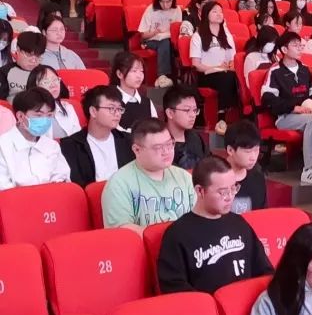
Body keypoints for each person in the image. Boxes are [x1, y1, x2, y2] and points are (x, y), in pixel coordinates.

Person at [156, 155, 273, 294]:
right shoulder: (177, 234)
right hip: (205, 306)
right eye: (222, 192)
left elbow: (264, 271)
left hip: (247, 302)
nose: (230, 196)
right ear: (200, 191)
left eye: (233, 188)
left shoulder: (239, 224)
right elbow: (174, 288)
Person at [101, 118, 196, 230]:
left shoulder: (184, 177)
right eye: (158, 147)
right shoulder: (119, 184)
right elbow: (123, 232)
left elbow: (200, 218)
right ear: (137, 150)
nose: (166, 151)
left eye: (169, 144)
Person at [261, 32, 312, 187]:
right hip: (285, 116)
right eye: (295, 45)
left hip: (307, 112)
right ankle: (310, 170)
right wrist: (293, 107)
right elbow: (268, 99)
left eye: (300, 45)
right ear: (284, 49)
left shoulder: (304, 69)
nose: (299, 48)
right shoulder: (275, 71)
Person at [60, 85, 132, 187]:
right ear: (93, 111)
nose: (117, 114)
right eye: (111, 108)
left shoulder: (129, 141)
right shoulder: (70, 146)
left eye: (119, 109)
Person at [0, 87, 69, 189]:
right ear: (20, 116)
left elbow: (62, 179)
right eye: (39, 115)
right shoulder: (3, 145)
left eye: (49, 115)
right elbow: (4, 188)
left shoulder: (52, 146)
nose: (45, 120)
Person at [189, 0, 239, 136]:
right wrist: (215, 67)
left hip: (224, 72)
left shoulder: (226, 35)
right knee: (226, 77)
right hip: (206, 74)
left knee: (234, 76)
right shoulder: (198, 36)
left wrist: (230, 66)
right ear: (206, 15)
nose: (219, 14)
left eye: (221, 12)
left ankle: (238, 116)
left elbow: (232, 59)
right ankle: (221, 118)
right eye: (215, 11)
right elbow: (196, 64)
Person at [138, 0, 181, 88]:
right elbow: (143, 35)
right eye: (162, 2)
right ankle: (162, 76)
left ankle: (175, 78)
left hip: (170, 39)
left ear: (173, 0)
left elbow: (177, 30)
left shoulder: (177, 10)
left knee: (170, 44)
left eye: (168, 1)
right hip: (151, 40)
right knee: (165, 43)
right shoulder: (151, 9)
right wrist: (155, 32)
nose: (165, 5)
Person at [224, 120, 267, 214]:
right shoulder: (215, 179)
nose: (253, 157)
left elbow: (262, 214)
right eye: (248, 151)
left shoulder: (258, 178)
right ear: (230, 150)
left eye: (256, 150)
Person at [111, 51, 157, 133]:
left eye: (141, 71)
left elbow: (155, 129)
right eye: (134, 71)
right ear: (119, 74)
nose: (139, 76)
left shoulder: (147, 102)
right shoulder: (110, 100)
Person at [0, 30, 45, 101]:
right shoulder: (4, 72)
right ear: (18, 49)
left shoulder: (46, 73)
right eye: (29, 55)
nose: (33, 61)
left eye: (38, 56)